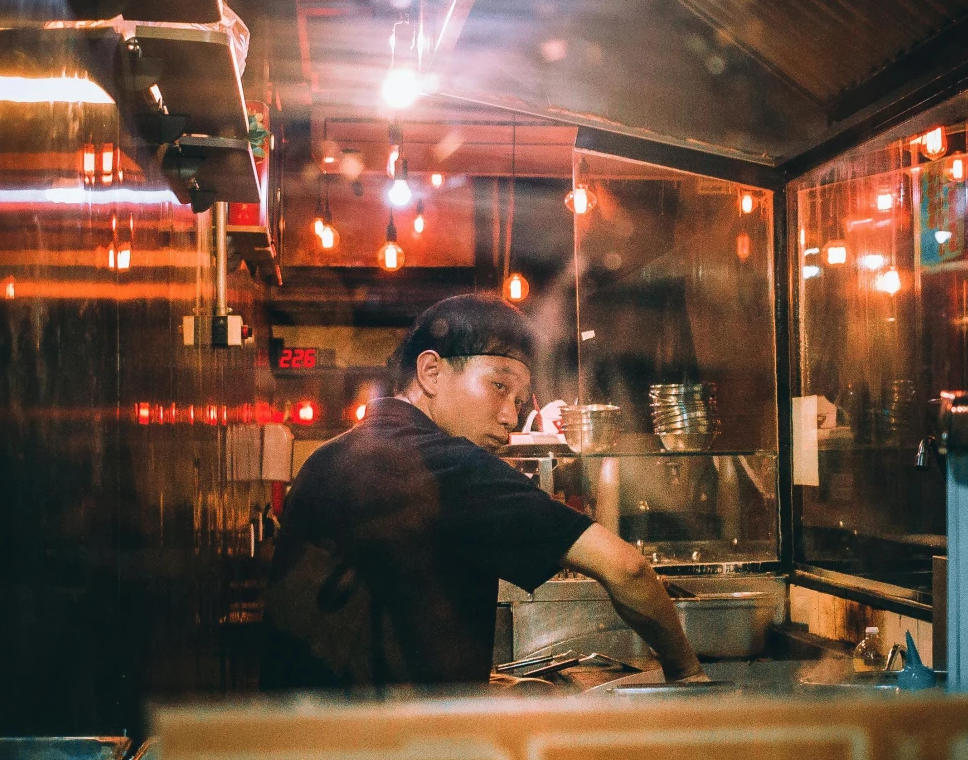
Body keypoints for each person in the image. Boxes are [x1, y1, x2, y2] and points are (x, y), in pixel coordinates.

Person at [261, 294, 706, 691]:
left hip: (312, 745)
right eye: (499, 387)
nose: (510, 417)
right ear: (431, 371)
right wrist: (688, 674)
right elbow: (626, 568)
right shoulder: (443, 463)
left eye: (519, 400)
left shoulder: (335, 453)